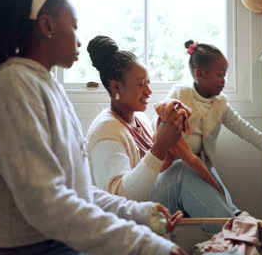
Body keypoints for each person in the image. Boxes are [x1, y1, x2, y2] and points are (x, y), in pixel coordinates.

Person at [0, 0, 187, 254]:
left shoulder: (48, 86)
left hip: (57, 240)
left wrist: (138, 212)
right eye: (74, 26)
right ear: (47, 25)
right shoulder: (14, 87)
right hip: (27, 247)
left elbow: (77, 190)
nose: (79, 40)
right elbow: (48, 204)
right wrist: (146, 244)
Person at [85, 35, 236, 233]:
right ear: (116, 87)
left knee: (198, 160)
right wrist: (160, 147)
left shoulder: (140, 120)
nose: (148, 91)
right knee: (181, 172)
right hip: (124, 222)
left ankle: (234, 219)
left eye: (148, 82)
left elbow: (159, 169)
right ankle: (234, 233)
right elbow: (119, 200)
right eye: (141, 84)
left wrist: (173, 137)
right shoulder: (107, 129)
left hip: (146, 207)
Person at [163, 40, 262, 214]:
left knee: (222, 196)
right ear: (199, 74)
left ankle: (235, 217)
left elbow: (241, 127)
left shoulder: (220, 104)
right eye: (219, 75)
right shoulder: (180, 94)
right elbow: (163, 121)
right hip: (177, 162)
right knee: (211, 192)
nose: (223, 81)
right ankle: (231, 221)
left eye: (225, 75)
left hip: (203, 163)